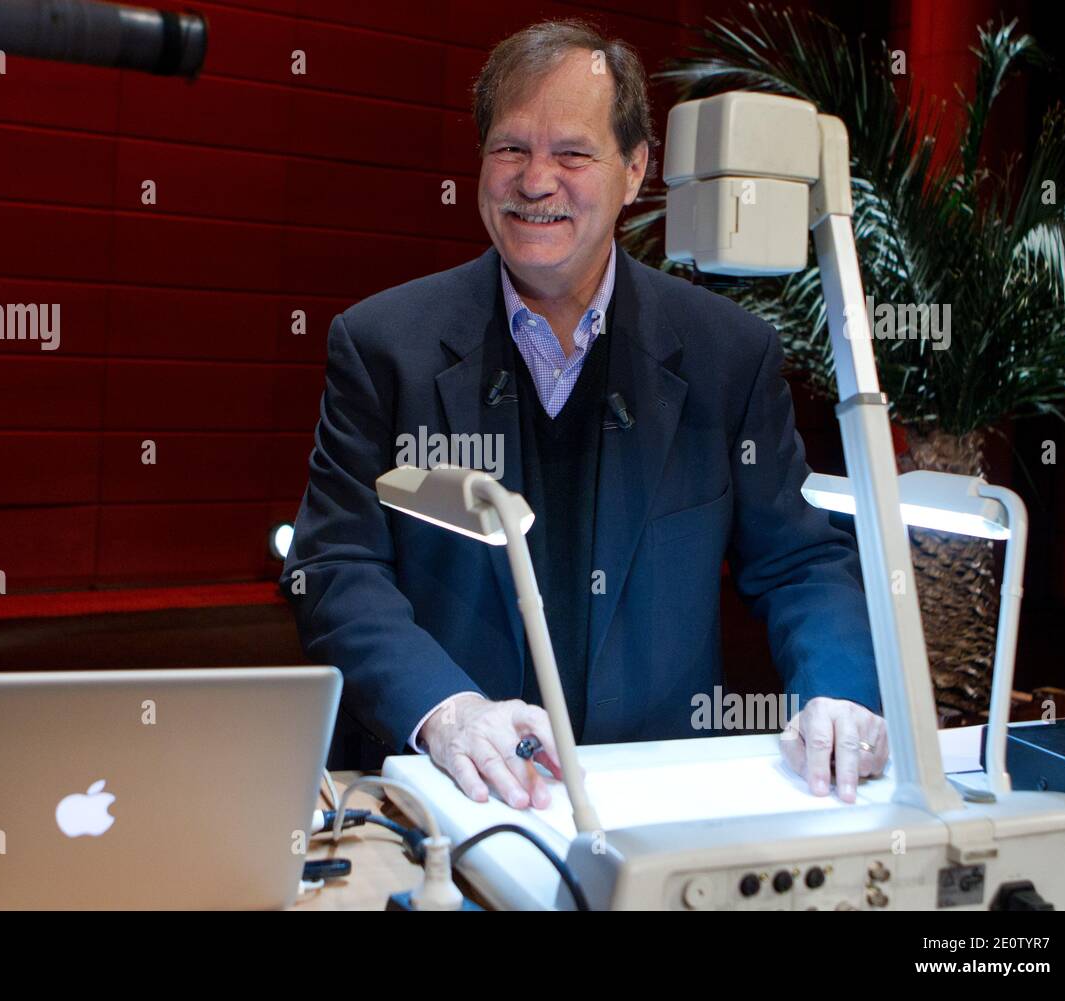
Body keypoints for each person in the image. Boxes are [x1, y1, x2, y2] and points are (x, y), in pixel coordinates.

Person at [282, 19, 889, 810]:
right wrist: (448, 712)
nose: (536, 181)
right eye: (510, 149)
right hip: (459, 799)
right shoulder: (381, 345)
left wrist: (839, 695)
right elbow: (333, 569)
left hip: (661, 805)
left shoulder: (725, 355)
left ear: (636, 169)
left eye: (572, 153)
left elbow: (799, 563)